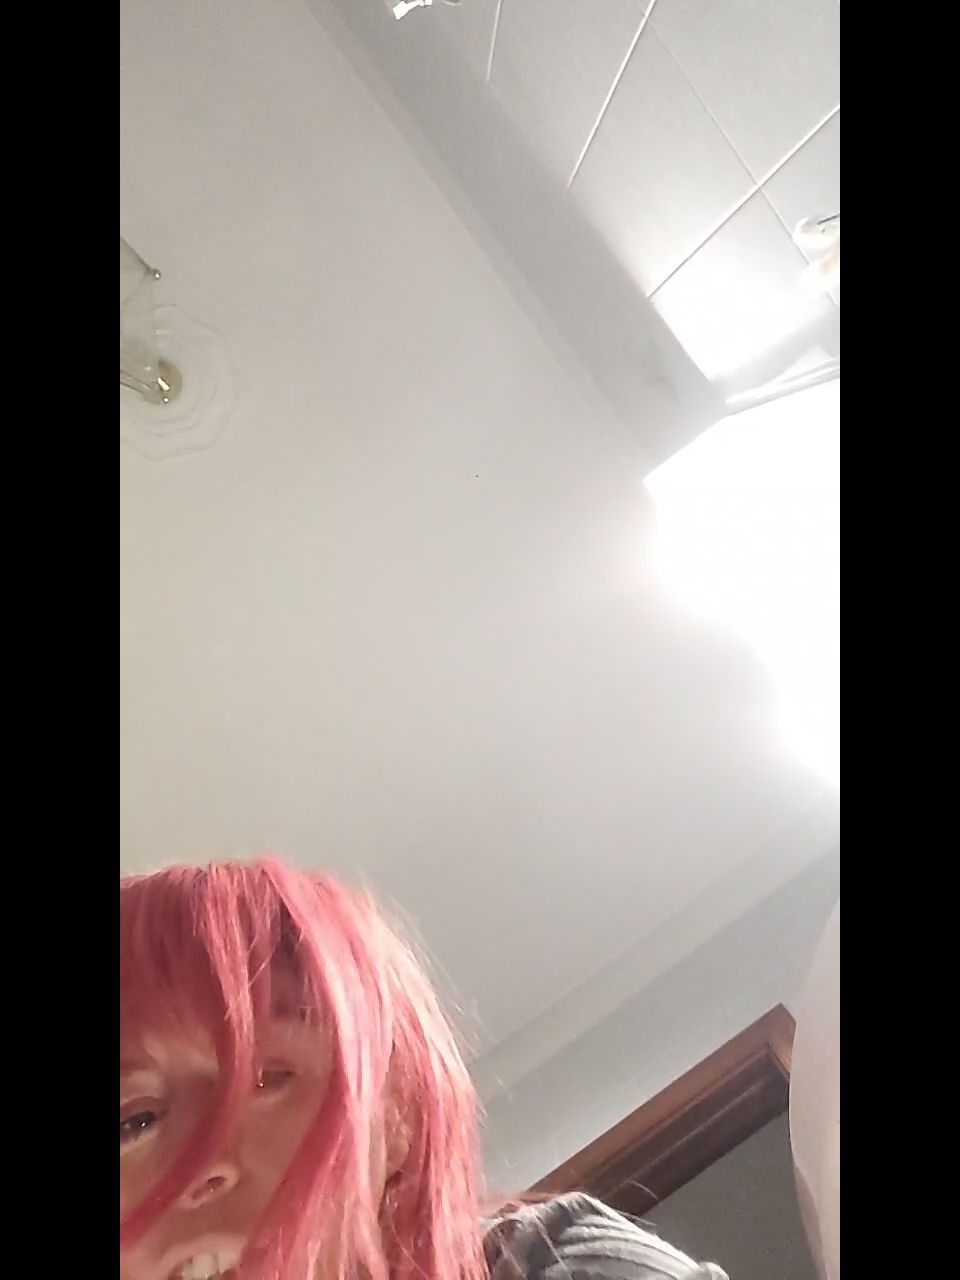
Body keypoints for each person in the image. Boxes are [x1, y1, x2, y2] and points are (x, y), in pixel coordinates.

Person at [120, 859, 727, 1280]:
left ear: (397, 1115)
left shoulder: (547, 1263)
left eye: (264, 1078)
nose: (199, 1162)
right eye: (134, 1122)